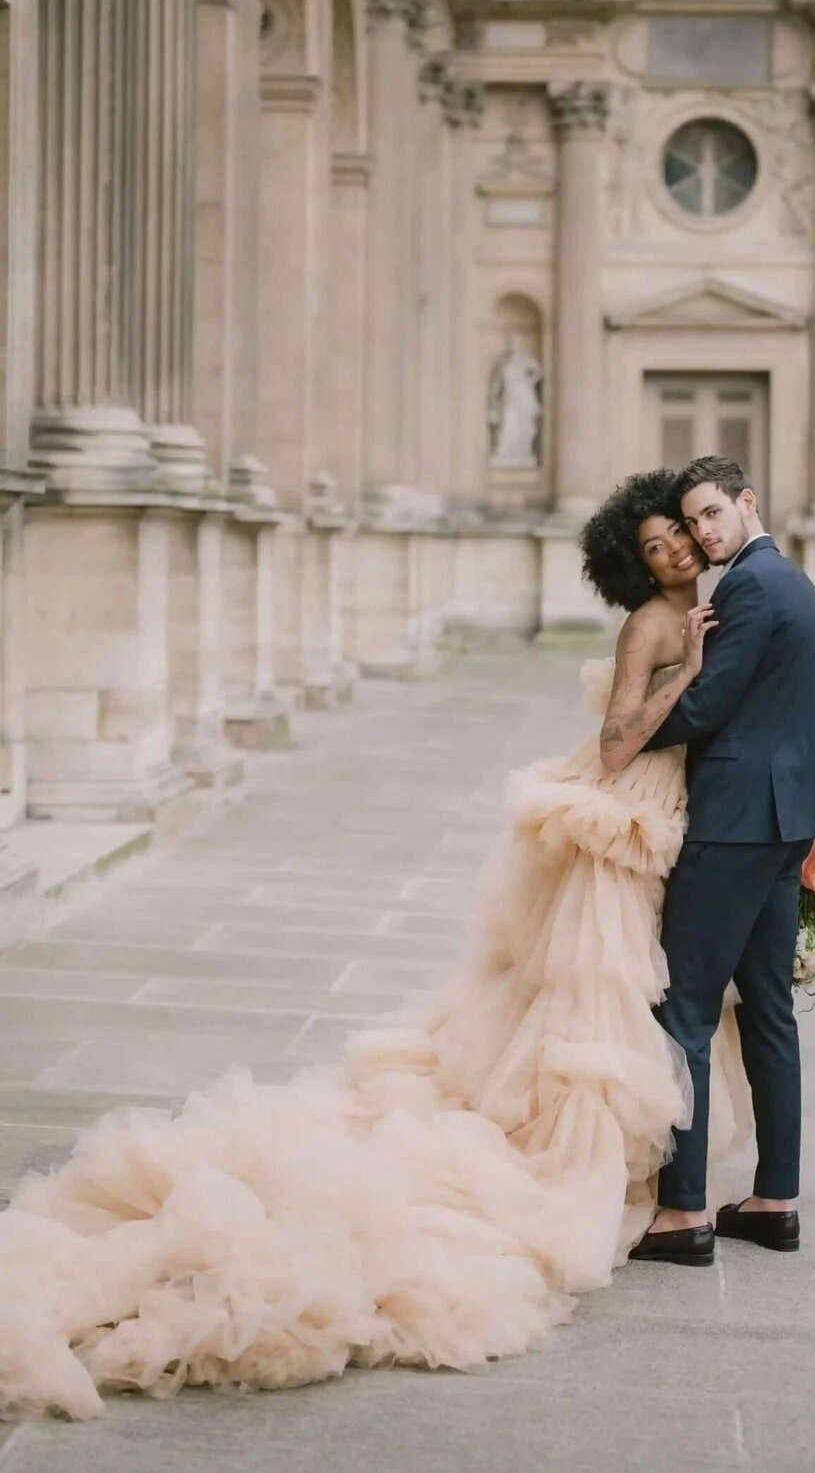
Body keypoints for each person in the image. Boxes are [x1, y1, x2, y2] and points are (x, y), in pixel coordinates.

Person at [0, 470, 751, 1422]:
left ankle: (631, 1168)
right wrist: (689, 677)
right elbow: (613, 744)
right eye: (654, 546)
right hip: (624, 818)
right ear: (633, 565)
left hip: (664, 818)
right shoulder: (653, 624)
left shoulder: (705, 607)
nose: (676, 552)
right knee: (595, 1009)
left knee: (623, 1006)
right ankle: (586, 1169)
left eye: (679, 536)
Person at [625, 456, 815, 1268]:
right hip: (785, 823)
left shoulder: (748, 588)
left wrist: (631, 732)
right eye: (692, 522)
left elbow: (710, 704)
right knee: (766, 1010)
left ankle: (683, 1215)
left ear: (747, 504)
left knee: (683, 1008)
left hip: (741, 823)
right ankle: (775, 1200)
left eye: (713, 514)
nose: (704, 533)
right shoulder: (797, 582)